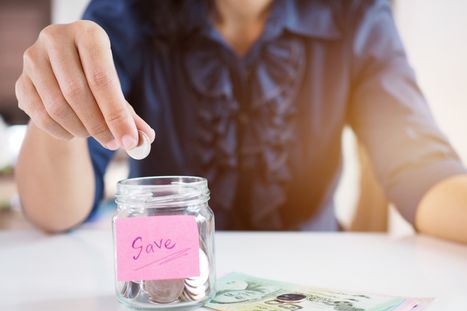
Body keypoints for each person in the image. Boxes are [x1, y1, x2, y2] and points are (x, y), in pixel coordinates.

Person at [14, 0, 467, 243]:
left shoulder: (358, 15)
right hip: (163, 281)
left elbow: (424, 172)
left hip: (316, 283)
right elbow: (56, 214)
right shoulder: (123, 15)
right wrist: (57, 110)